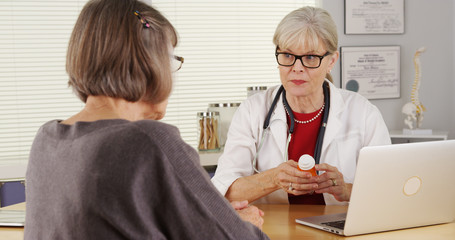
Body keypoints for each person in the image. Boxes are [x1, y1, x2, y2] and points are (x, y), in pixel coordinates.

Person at [24, 0, 268, 239]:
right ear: (150, 64)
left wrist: (214, 217)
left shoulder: (46, 140)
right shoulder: (148, 140)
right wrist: (236, 224)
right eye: (171, 61)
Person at [211, 6, 391, 205]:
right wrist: (273, 179)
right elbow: (225, 192)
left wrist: (347, 190)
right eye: (288, 56)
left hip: (340, 232)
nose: (297, 68)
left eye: (310, 57)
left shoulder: (364, 113)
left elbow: (390, 190)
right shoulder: (252, 111)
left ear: (331, 61)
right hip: (270, 232)